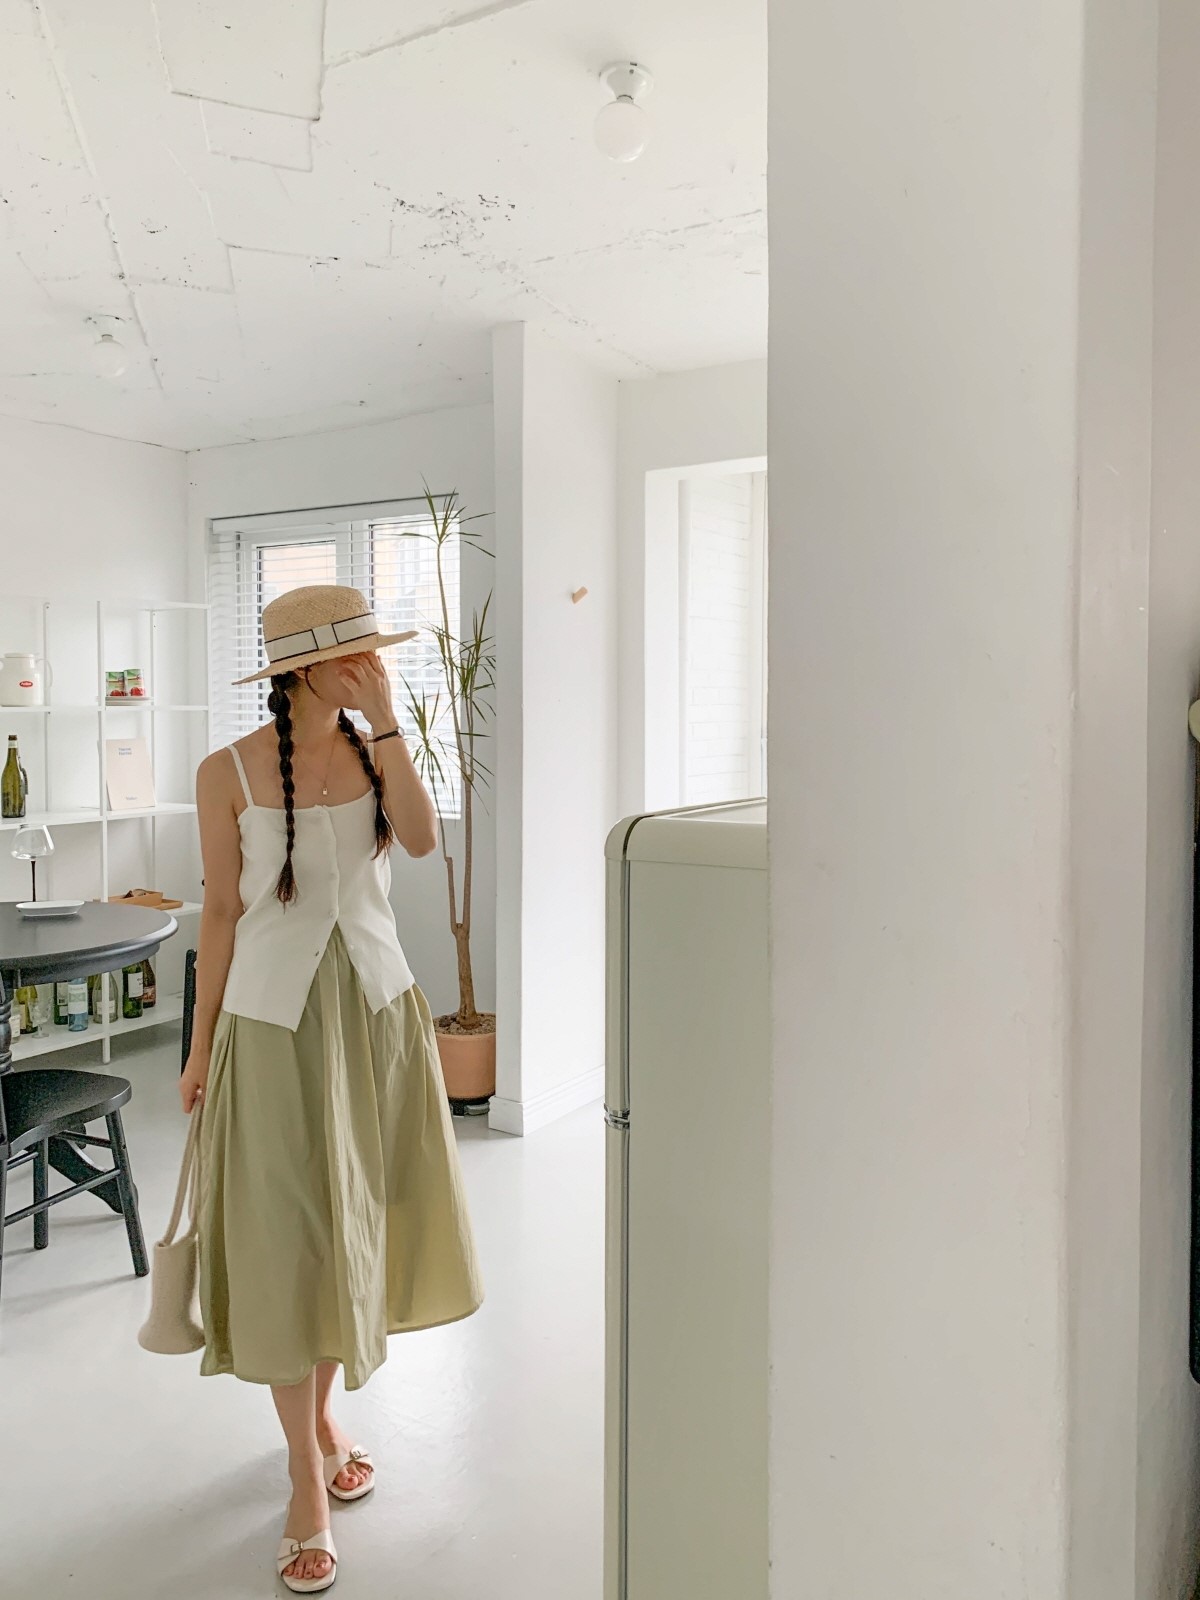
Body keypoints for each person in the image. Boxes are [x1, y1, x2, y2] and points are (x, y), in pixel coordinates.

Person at [180, 585, 485, 1593]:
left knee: (350, 1226)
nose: (370, 662)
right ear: (305, 667)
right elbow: (219, 915)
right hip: (270, 1028)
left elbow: (424, 840)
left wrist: (389, 713)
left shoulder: (373, 749)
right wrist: (199, 1049)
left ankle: (317, 1420)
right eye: (357, 653)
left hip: (375, 1014)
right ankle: (306, 1475)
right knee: (287, 1240)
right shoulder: (224, 772)